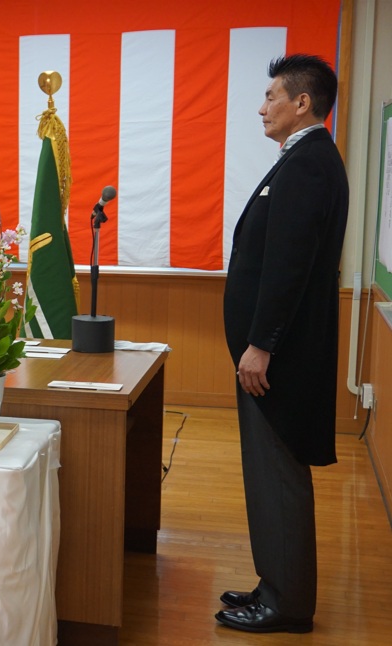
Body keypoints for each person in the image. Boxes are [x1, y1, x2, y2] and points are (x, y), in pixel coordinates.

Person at [219, 54, 348, 633]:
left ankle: (288, 604)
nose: (262, 107)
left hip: (279, 359)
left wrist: (261, 344)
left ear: (302, 102)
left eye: (271, 96)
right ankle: (275, 581)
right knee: (268, 476)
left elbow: (288, 265)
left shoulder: (309, 164)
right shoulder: (304, 158)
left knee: (278, 476)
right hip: (276, 353)